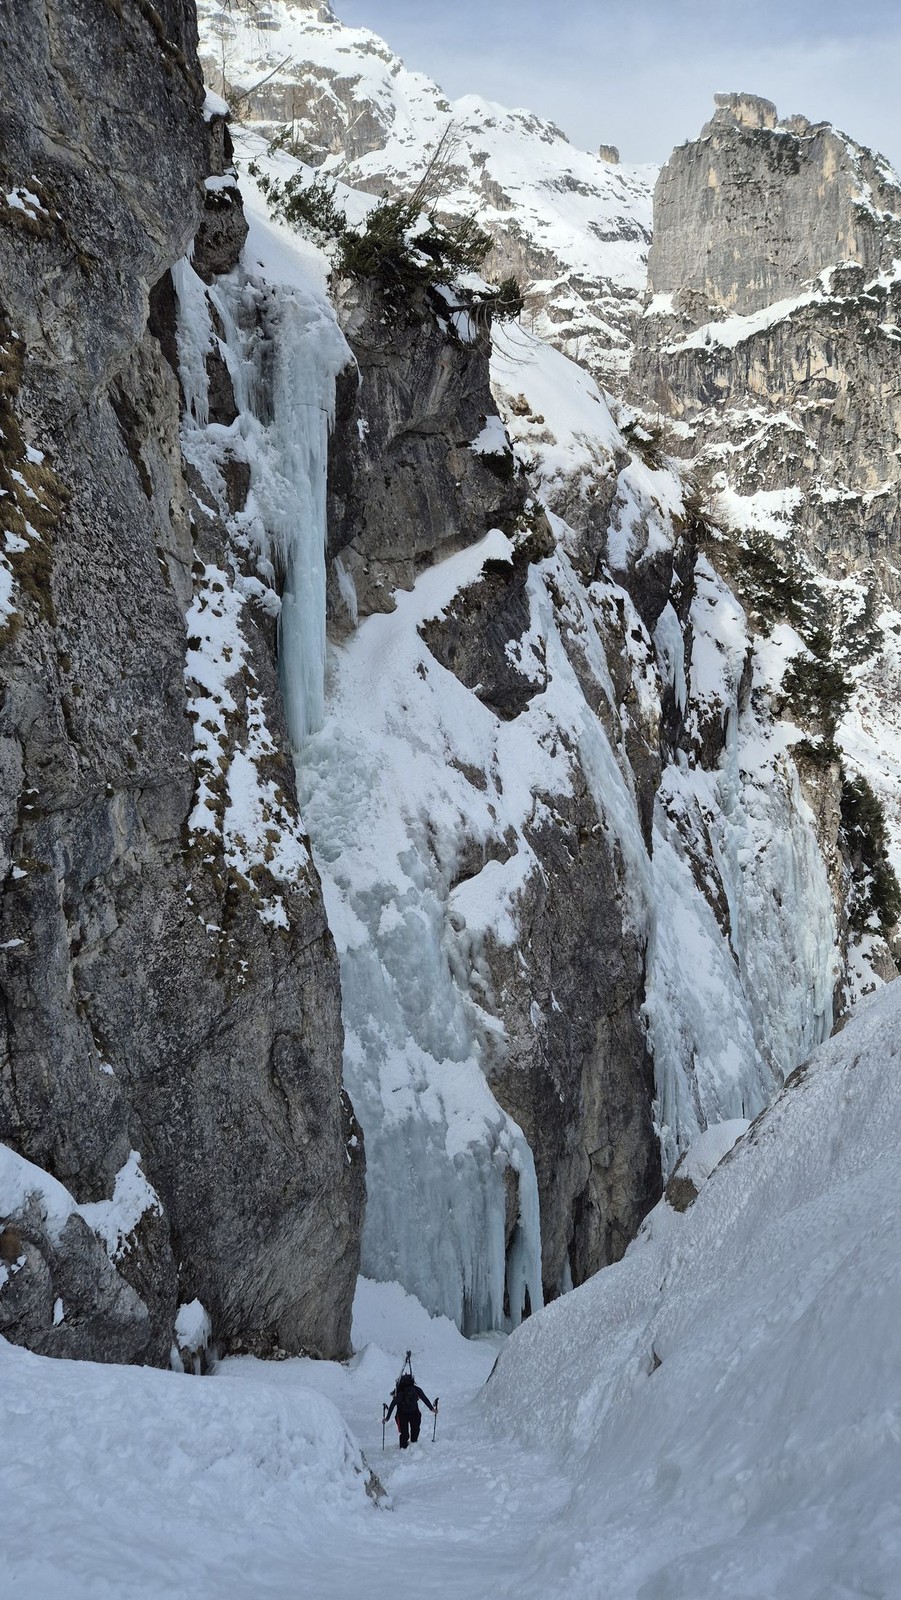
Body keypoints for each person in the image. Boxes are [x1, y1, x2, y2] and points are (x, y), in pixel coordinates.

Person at [385, 1371, 437, 1448]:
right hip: (405, 1413)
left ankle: (412, 1445)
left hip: (410, 1413)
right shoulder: (411, 1391)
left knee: (412, 1431)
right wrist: (387, 1418)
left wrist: (432, 1408)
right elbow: (393, 1405)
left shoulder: (408, 1392)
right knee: (407, 1433)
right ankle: (405, 1448)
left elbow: (424, 1398)